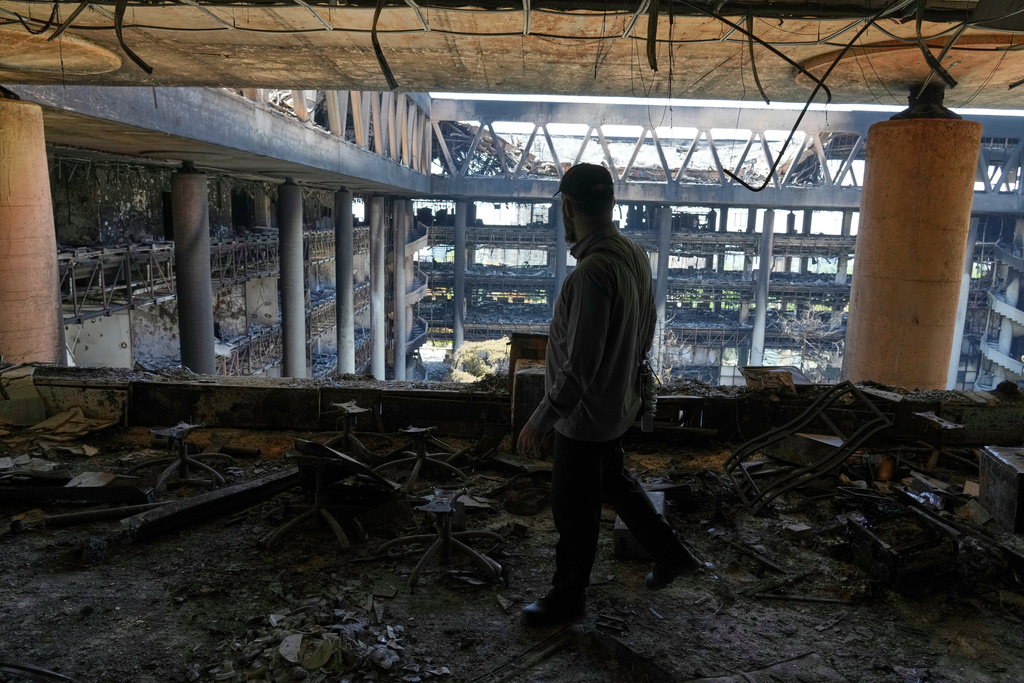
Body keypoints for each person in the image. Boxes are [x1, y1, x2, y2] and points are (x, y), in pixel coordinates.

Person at [517, 163, 700, 627]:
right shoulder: (634, 254)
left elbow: (579, 365)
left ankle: (567, 599)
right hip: (617, 405)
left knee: (573, 512)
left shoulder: (590, 275)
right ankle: (671, 553)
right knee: (615, 482)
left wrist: (541, 419)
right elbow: (648, 327)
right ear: (612, 204)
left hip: (584, 417)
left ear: (567, 208)